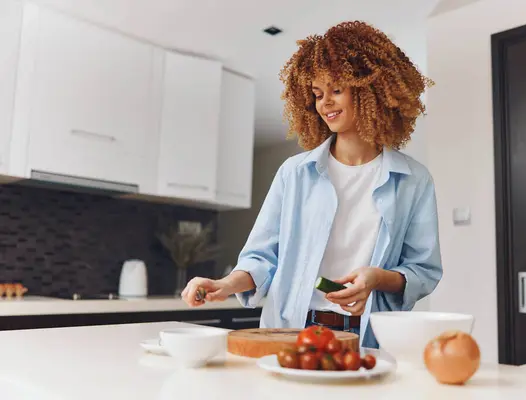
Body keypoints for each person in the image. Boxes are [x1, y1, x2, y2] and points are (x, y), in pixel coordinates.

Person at [181, 20, 442, 348]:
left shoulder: (413, 181)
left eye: (336, 90)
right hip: (291, 332)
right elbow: (262, 257)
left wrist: (376, 278)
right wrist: (225, 284)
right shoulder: (294, 173)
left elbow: (423, 270)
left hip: (366, 337)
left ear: (369, 88)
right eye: (317, 94)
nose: (325, 104)